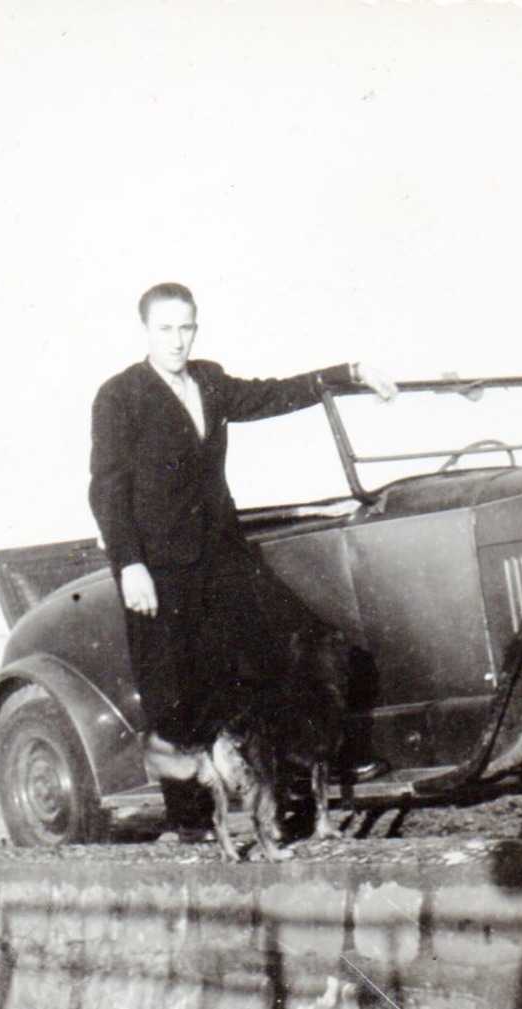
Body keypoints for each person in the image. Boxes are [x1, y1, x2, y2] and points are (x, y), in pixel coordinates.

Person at [89, 282, 396, 839]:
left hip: (223, 553)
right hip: (159, 567)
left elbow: (273, 394)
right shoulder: (120, 396)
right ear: (145, 331)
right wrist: (129, 563)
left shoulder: (208, 379)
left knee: (300, 641)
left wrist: (348, 374)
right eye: (165, 329)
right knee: (172, 689)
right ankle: (189, 821)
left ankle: (308, 771)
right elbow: (107, 488)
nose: (177, 340)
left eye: (186, 327)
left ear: (196, 328)